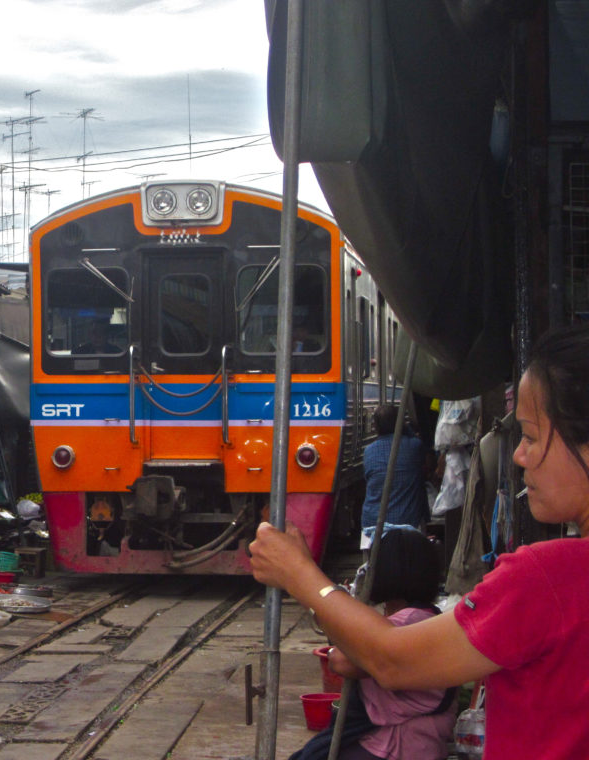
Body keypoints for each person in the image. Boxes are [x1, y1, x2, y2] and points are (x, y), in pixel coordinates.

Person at [249, 322, 589, 760]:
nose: (519, 455)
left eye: (530, 436)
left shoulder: (548, 578)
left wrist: (300, 574)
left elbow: (394, 659)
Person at [292, 527, 455, 760]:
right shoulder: (427, 617)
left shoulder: (408, 622)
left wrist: (332, 607)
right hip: (417, 744)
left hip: (397, 747)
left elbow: (340, 660)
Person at [359, 405, 428, 549]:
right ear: (401, 423)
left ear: (375, 426)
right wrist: (406, 428)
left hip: (372, 522)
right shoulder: (415, 446)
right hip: (406, 521)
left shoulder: (369, 452)